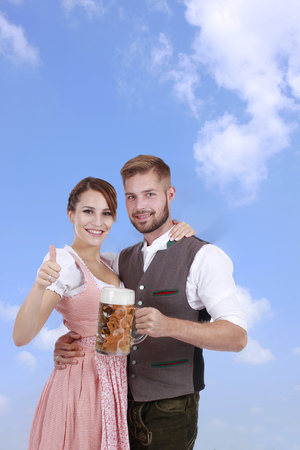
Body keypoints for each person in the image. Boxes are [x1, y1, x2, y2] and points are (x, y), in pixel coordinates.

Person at [53, 156, 248, 450]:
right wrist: (69, 340)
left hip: (171, 410)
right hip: (115, 403)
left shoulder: (204, 256)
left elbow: (237, 337)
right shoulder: (120, 260)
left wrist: (168, 325)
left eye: (150, 194)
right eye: (131, 196)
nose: (140, 205)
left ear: (170, 195)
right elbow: (84, 284)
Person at [13, 175, 194, 450]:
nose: (97, 222)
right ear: (70, 214)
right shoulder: (64, 263)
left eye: (106, 213)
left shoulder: (110, 262)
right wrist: (39, 286)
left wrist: (179, 229)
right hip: (81, 384)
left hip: (113, 382)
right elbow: (21, 337)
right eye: (88, 211)